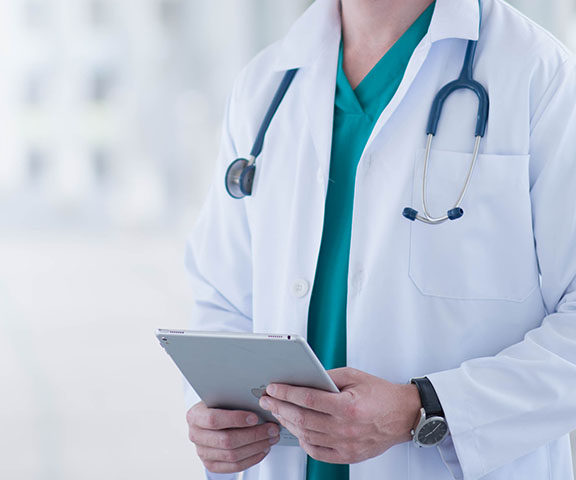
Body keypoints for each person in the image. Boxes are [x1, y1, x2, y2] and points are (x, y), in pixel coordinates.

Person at [183, 0, 576, 478]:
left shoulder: (539, 74)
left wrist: (425, 408)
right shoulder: (267, 83)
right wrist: (215, 415)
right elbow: (222, 297)